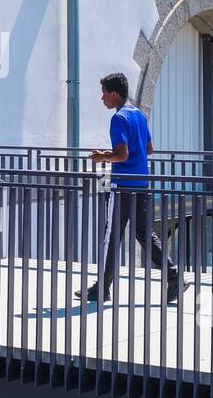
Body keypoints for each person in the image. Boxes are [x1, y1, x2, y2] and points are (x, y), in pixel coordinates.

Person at [75, 72, 180, 304]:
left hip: (122, 187)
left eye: (104, 94)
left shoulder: (119, 119)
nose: (102, 99)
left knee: (110, 236)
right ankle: (173, 275)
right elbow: (148, 149)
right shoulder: (139, 115)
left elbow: (121, 155)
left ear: (114, 94)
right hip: (142, 184)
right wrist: (114, 154)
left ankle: (101, 289)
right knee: (144, 234)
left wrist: (102, 158)